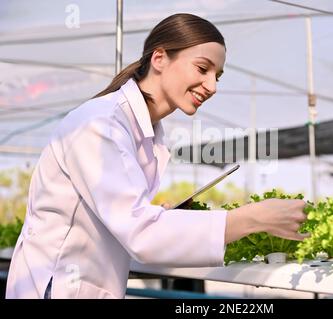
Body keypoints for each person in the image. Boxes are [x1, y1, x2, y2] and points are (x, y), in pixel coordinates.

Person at [6, 13, 308, 299]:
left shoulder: (142, 129)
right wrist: (254, 218)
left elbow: (127, 218)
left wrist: (160, 215)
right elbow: (141, 235)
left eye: (218, 76)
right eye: (203, 69)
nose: (212, 86)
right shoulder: (100, 124)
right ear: (159, 58)